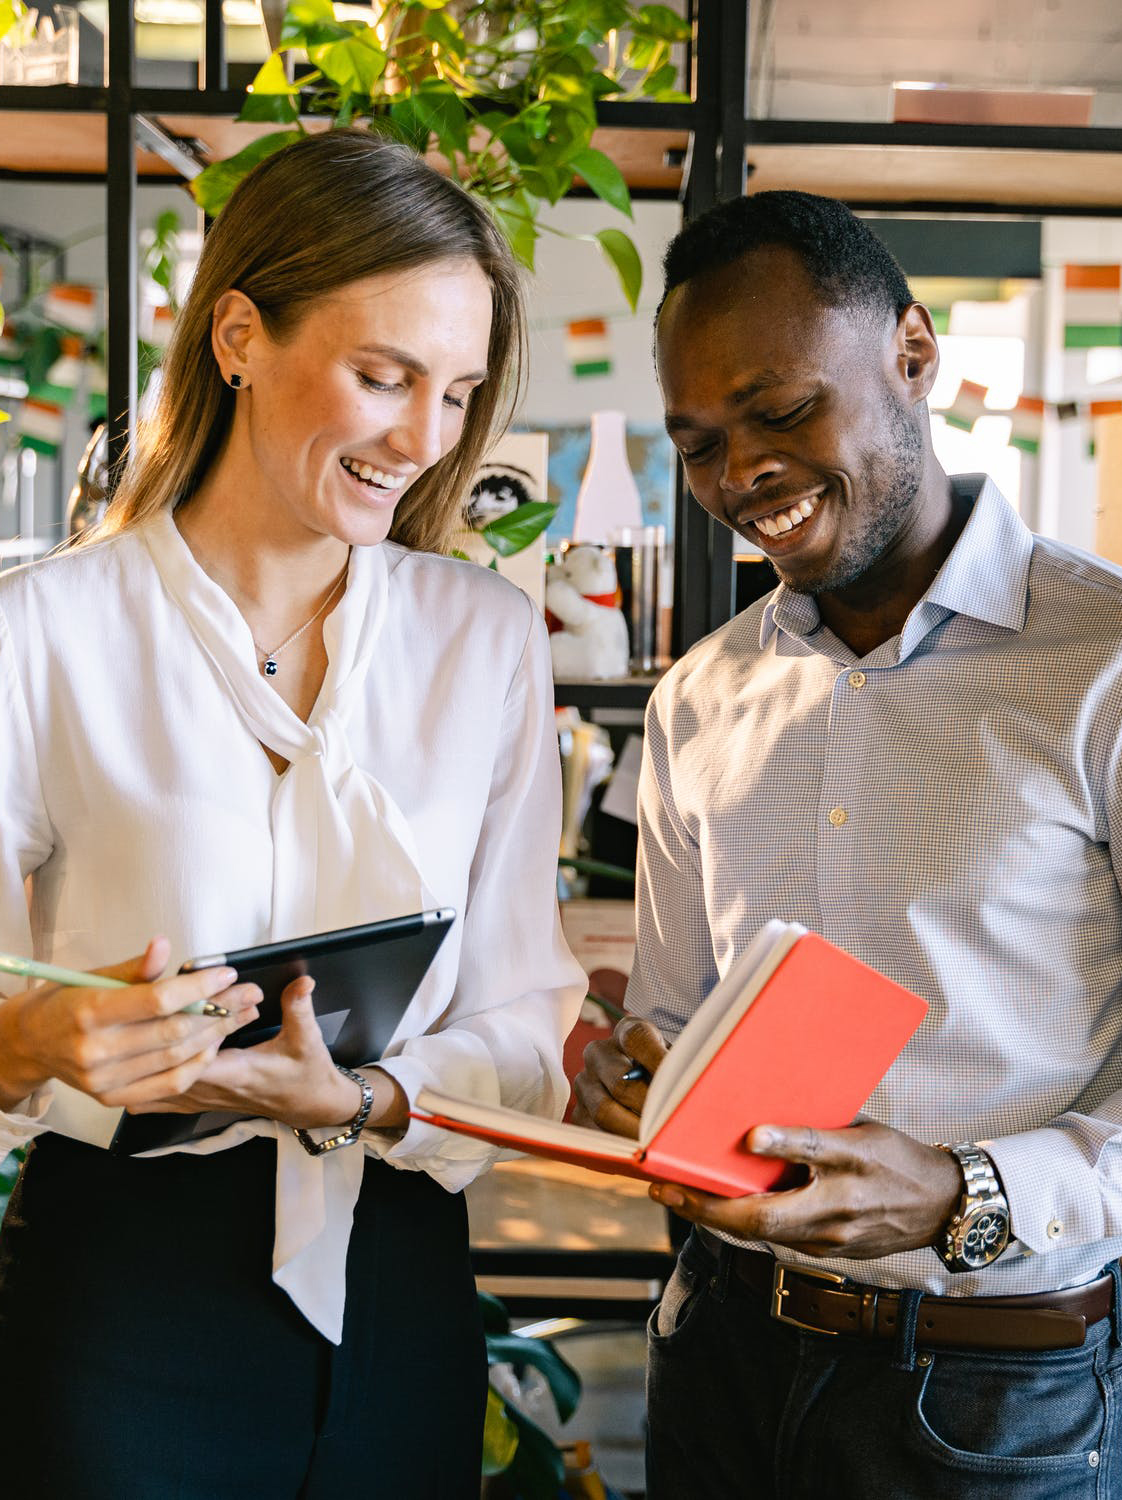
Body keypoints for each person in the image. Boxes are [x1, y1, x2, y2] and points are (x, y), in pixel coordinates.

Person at [0, 130, 585, 1499]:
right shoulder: (44, 635)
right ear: (239, 334)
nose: (422, 439)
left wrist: (370, 1094)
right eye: (382, 376)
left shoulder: (483, 640)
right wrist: (44, 1032)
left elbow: (523, 1021)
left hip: (398, 1270)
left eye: (455, 392)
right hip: (124, 1285)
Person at [574, 190, 1122, 1498]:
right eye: (700, 442)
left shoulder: (1099, 664)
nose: (737, 476)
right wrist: (628, 1083)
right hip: (714, 1350)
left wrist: (958, 1190)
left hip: (995, 1396)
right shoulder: (699, 695)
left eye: (779, 410)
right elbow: (670, 1024)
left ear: (914, 355)